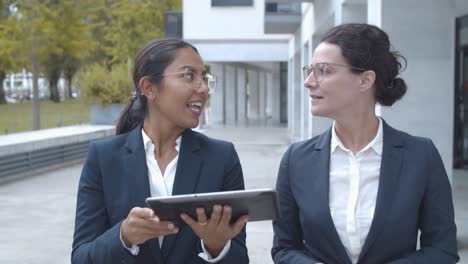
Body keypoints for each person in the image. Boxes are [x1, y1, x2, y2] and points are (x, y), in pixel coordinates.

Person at [272, 23, 459, 264]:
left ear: (365, 80)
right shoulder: (296, 159)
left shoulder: (421, 156)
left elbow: (442, 250)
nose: (309, 81)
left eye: (323, 71)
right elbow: (284, 248)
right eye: (309, 70)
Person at [72, 38, 249, 264]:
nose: (203, 88)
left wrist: (217, 246)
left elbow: (240, 259)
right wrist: (124, 236)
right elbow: (81, 258)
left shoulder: (222, 157)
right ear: (149, 88)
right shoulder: (104, 157)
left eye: (204, 78)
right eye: (188, 75)